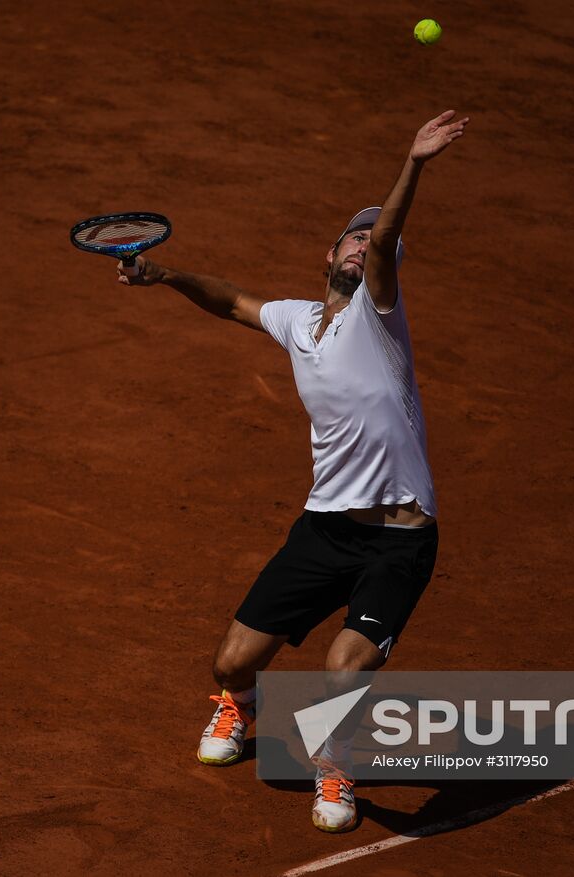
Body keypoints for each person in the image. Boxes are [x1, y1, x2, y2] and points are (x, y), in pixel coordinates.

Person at [116, 110, 469, 833]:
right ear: (327, 251)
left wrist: (416, 163)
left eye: (378, 239)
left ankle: (334, 767)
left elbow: (387, 239)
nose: (366, 242)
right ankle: (241, 707)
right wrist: (164, 274)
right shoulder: (298, 321)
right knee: (230, 661)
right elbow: (234, 301)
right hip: (325, 529)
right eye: (355, 232)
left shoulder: (377, 313)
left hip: (401, 540)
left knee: (345, 666)